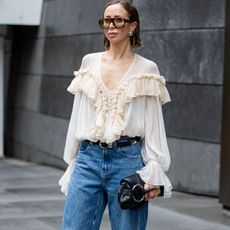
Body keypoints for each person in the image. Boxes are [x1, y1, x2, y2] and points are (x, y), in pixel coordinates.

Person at [59, 0, 172, 229]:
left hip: (127, 162)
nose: (111, 25)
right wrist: (73, 159)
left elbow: (153, 123)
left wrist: (153, 168)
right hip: (88, 159)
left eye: (118, 20)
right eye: (106, 20)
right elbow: (78, 114)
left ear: (132, 26)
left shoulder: (147, 69)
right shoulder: (89, 62)